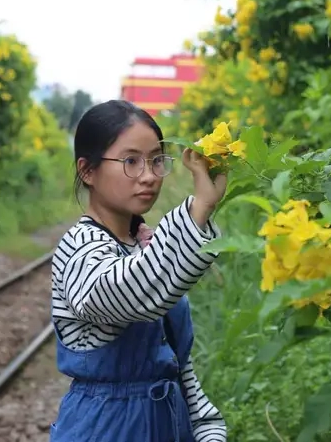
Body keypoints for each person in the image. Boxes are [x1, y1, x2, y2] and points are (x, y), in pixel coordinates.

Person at [50, 100, 228, 442]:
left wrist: (208, 429)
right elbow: (127, 293)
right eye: (131, 161)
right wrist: (198, 209)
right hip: (103, 430)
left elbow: (178, 368)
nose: (148, 176)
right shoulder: (78, 249)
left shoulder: (143, 245)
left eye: (156, 161)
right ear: (88, 171)